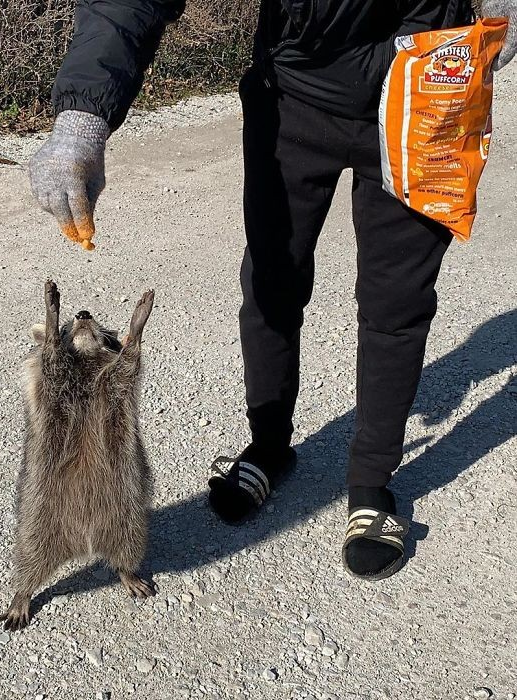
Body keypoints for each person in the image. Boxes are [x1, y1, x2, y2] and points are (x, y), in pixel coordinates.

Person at [28, 0, 516, 580]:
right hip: (295, 98)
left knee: (397, 302)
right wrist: (82, 119)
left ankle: (370, 485)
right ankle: (269, 445)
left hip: (429, 94)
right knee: (270, 283)